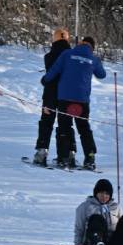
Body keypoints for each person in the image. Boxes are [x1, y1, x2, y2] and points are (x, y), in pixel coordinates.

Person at [41, 35, 105, 169]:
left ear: (81, 43)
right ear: (92, 48)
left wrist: (45, 79)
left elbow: (54, 70)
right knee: (84, 128)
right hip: (82, 100)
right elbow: (102, 75)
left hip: (65, 98)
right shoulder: (93, 59)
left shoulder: (67, 53)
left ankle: (64, 158)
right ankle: (90, 158)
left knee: (64, 126)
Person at [32, 27, 74, 166]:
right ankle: (67, 154)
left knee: (46, 122)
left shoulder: (49, 56)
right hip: (67, 95)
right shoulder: (72, 56)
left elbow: (51, 76)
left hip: (50, 93)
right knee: (66, 124)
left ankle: (42, 151)